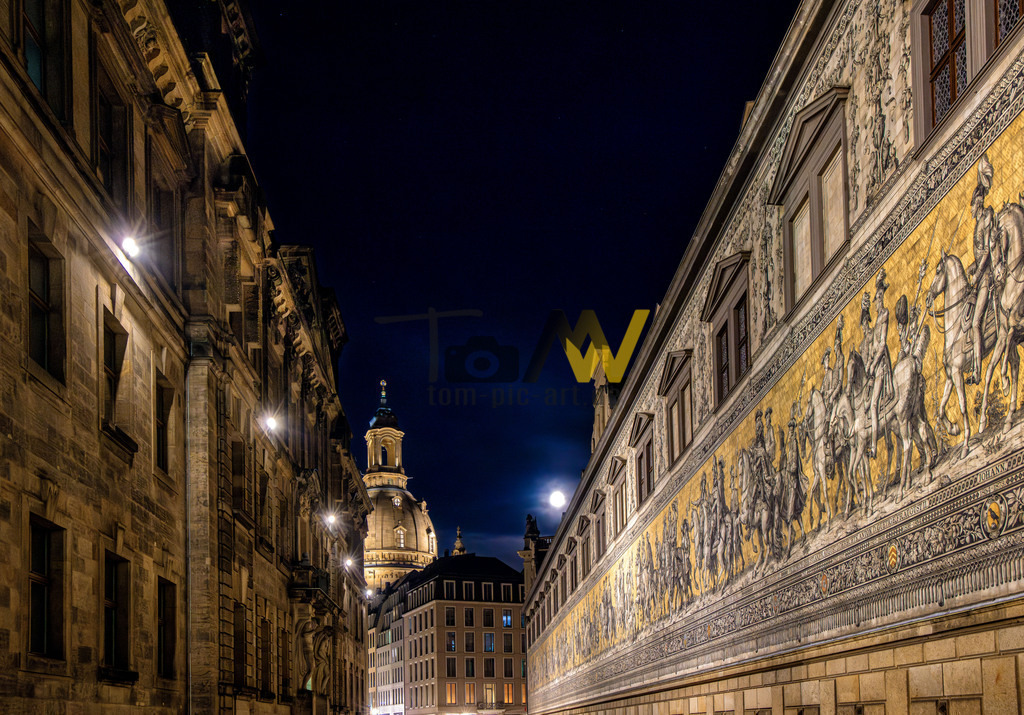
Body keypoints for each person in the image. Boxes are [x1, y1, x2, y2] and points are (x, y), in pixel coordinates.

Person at [969, 154, 996, 383]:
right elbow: (978, 255)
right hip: (980, 275)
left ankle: (977, 372)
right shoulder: (978, 222)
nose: (971, 209)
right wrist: (971, 267)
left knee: (976, 323)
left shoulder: (986, 218)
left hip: (987, 278)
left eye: (973, 204)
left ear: (978, 204)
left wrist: (977, 275)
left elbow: (986, 252)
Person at [869, 271, 893, 456]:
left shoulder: (884, 314)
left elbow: (882, 343)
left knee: (873, 404)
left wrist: (873, 362)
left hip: (882, 363)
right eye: (876, 299)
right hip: (874, 364)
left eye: (878, 298)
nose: (876, 302)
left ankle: (874, 446)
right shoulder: (876, 319)